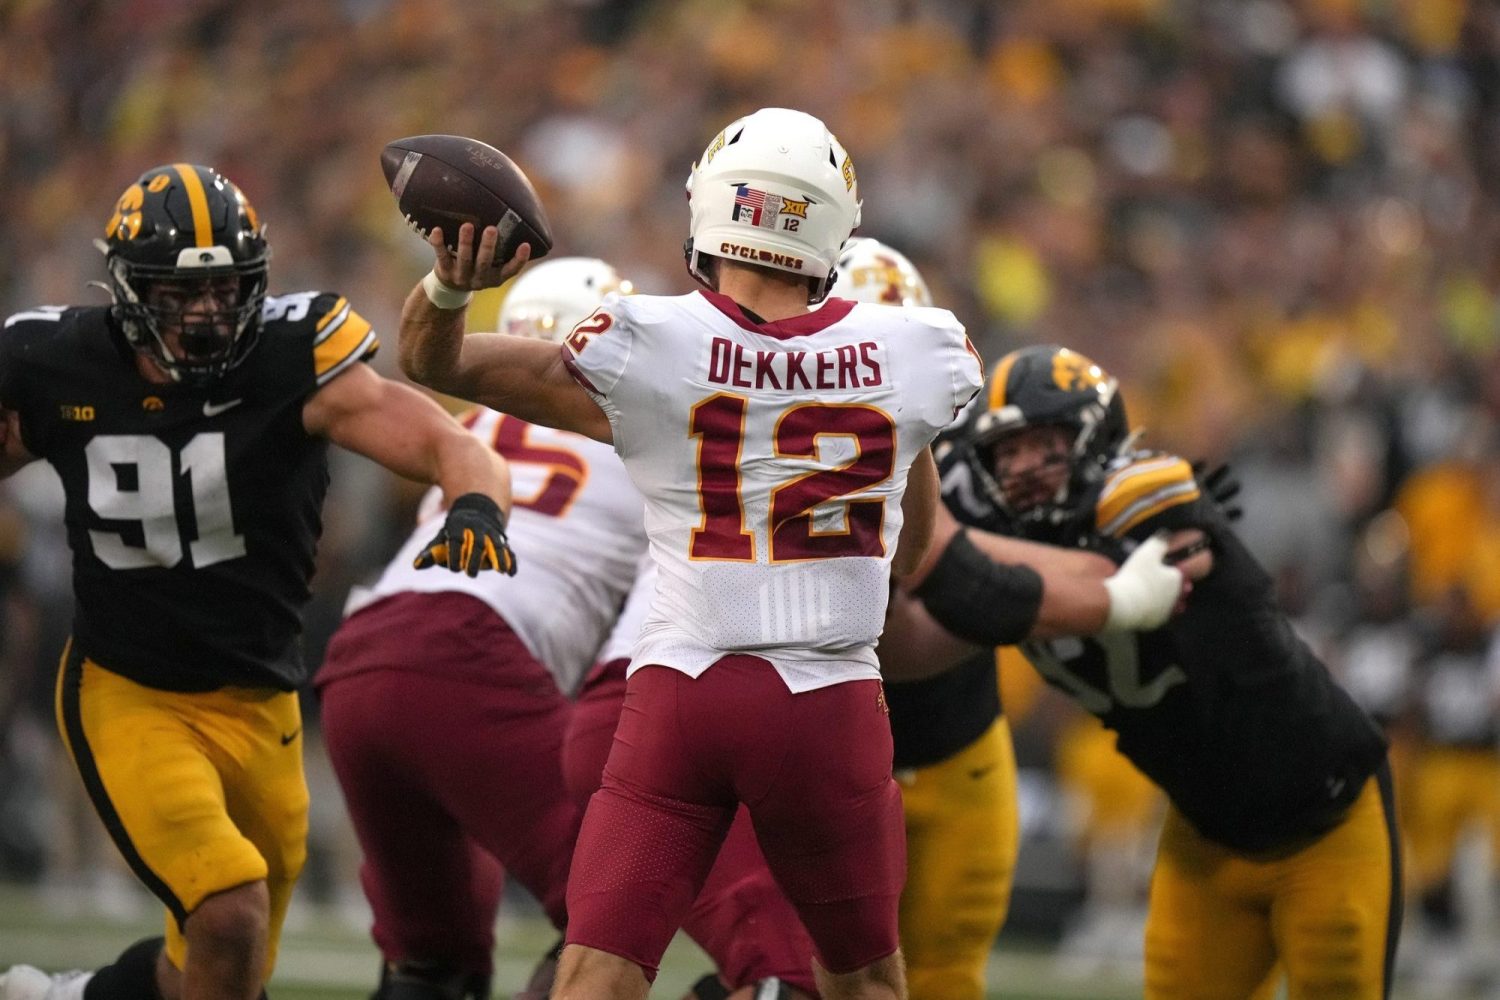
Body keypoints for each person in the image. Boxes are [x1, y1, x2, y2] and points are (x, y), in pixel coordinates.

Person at [398, 106, 989, 1000]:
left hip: (681, 694)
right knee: (865, 982)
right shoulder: (920, 350)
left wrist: (448, 287)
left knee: (596, 973)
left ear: (712, 209)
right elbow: (909, 554)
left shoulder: (650, 342)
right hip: (827, 707)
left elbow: (431, 363)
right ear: (834, 224)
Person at [0, 163, 517, 1000]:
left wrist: (475, 511)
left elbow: (456, 449)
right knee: (228, 910)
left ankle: (72, 997)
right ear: (129, 291)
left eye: (224, 289)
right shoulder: (57, 363)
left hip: (263, 698)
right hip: (130, 690)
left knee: (225, 969)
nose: (206, 313)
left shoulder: (292, 358)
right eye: (178, 293)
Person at [937, 344, 1400, 1000]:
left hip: (1324, 819)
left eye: (1044, 443)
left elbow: (1039, 580)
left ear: (1097, 438)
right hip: (1203, 834)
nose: (1022, 467)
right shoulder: (1025, 540)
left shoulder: (1143, 492)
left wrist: (943, 548)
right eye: (1005, 451)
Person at [835, 237, 1185, 1000]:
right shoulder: (783, 461)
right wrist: (1010, 600)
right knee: (810, 976)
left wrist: (1002, 591)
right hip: (835, 761)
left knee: (946, 979)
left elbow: (980, 572)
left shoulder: (981, 455)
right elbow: (900, 642)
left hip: (963, 756)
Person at [313, 257, 644, 1000]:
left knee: (433, 961)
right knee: (614, 911)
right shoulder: (646, 438)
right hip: (471, 654)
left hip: (362, 658)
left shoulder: (469, 421)